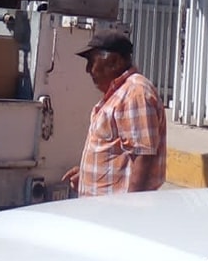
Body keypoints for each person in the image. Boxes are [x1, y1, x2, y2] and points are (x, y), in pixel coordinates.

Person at [63, 28, 167, 196]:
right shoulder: (120, 93)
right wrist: (87, 174)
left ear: (115, 62)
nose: (88, 69)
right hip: (104, 208)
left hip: (116, 211)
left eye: (92, 61)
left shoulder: (135, 93)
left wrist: (129, 208)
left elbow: (143, 157)